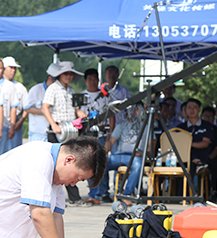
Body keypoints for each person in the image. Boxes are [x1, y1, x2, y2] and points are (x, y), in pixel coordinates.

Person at [42, 61, 91, 207]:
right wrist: (53, 124)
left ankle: (74, 197)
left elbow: (75, 109)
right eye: (66, 74)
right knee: (54, 164)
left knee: (70, 162)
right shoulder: (53, 88)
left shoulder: (70, 90)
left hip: (69, 130)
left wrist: (82, 115)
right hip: (57, 130)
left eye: (70, 74)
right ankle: (49, 195)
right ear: (59, 75)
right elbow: (45, 108)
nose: (68, 76)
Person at [97, 102, 149, 203]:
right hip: (119, 156)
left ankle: (127, 195)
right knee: (98, 162)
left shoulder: (146, 127)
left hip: (136, 157)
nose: (134, 112)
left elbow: (150, 147)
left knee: (137, 165)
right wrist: (101, 154)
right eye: (132, 109)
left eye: (137, 109)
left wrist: (143, 153)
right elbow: (110, 143)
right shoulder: (121, 126)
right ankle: (96, 195)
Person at [81, 68, 114, 205]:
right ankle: (93, 193)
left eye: (95, 79)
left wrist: (110, 132)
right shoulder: (81, 96)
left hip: (102, 134)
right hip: (87, 134)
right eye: (90, 79)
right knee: (90, 163)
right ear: (85, 81)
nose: (93, 82)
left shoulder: (105, 96)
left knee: (102, 162)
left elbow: (112, 114)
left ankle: (104, 192)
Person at [177, 98, 215, 176]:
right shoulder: (180, 127)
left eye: (194, 107)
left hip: (202, 155)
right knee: (186, 164)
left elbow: (205, 143)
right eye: (189, 107)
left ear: (199, 110)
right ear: (186, 110)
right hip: (184, 157)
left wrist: (189, 144)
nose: (192, 110)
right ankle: (197, 162)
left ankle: (197, 161)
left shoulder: (206, 125)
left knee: (189, 161)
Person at [0, 59, 17, 158]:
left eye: (0, 68)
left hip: (4, 127)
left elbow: (13, 107)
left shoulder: (10, 86)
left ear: (3, 69)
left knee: (0, 157)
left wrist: (12, 127)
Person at [24, 66, 56, 143]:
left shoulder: (58, 91)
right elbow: (27, 108)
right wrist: (45, 110)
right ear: (49, 78)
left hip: (54, 133)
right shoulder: (36, 90)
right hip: (38, 133)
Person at [2, 56, 27, 151]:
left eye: (15, 68)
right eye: (11, 67)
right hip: (0, 121)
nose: (13, 70)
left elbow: (27, 107)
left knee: (15, 152)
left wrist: (21, 121)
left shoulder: (20, 87)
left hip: (16, 122)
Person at [201, 106, 217, 195]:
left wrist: (208, 158)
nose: (207, 118)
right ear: (201, 116)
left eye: (210, 116)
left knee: (216, 164)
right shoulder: (198, 129)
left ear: (214, 118)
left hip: (212, 156)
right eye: (205, 116)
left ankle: (214, 190)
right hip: (198, 156)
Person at [104, 65, 131, 132]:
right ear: (105, 75)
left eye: (114, 72)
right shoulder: (101, 91)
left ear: (118, 75)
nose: (112, 75)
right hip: (106, 128)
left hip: (122, 127)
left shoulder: (123, 90)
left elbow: (129, 108)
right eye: (109, 72)